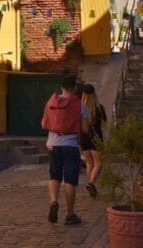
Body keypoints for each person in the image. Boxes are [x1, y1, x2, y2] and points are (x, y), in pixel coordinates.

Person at [41, 74, 89, 225]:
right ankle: (69, 214)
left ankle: (54, 201)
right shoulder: (78, 103)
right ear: (74, 88)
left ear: (61, 87)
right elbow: (87, 123)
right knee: (70, 180)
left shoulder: (51, 101)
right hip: (70, 145)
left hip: (53, 144)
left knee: (54, 176)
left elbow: (44, 123)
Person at [79, 84, 106, 198]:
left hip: (84, 138)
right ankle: (91, 183)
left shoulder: (79, 108)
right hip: (96, 138)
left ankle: (91, 186)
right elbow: (104, 122)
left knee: (89, 163)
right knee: (98, 163)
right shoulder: (99, 108)